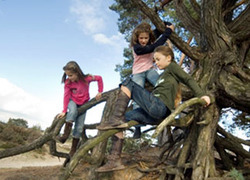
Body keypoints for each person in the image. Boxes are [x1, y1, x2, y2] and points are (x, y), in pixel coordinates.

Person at [96, 46, 211, 172]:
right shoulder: (163, 75)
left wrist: (201, 95)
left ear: (168, 58)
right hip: (154, 113)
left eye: (158, 59)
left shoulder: (172, 67)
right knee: (121, 122)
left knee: (128, 82)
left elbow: (187, 79)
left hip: (159, 106)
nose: (156, 62)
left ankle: (116, 118)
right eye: (154, 60)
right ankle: (115, 160)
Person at [130, 21, 174, 138]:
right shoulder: (137, 47)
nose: (143, 40)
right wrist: (168, 32)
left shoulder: (149, 39)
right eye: (141, 38)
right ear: (137, 38)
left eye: (146, 38)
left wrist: (166, 24)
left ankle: (167, 108)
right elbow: (153, 47)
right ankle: (137, 127)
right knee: (137, 96)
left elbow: (158, 30)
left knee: (161, 85)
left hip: (150, 70)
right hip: (138, 72)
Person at [56, 61, 103, 158]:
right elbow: (66, 96)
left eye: (71, 75)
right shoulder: (68, 83)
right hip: (72, 101)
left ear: (77, 72)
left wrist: (100, 91)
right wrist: (64, 110)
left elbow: (99, 78)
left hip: (83, 104)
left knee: (79, 127)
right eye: (67, 75)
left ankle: (73, 150)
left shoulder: (87, 78)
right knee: (72, 112)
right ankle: (65, 136)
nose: (69, 78)